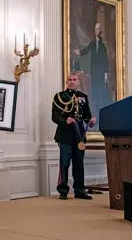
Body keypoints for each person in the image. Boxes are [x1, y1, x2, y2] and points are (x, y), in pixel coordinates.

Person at [52, 72, 96, 200]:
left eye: (74, 80)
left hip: (79, 136)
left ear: (78, 82)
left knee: (79, 164)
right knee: (64, 163)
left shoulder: (83, 97)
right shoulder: (59, 96)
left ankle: (80, 190)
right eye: (69, 80)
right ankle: (63, 190)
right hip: (65, 135)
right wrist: (65, 121)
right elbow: (55, 116)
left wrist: (91, 121)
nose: (72, 82)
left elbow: (86, 114)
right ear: (66, 82)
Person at [73, 22, 112, 126]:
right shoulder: (92, 43)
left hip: (101, 73)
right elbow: (86, 50)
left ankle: (101, 116)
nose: (96, 30)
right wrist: (79, 53)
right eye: (95, 28)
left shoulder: (103, 46)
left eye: (98, 28)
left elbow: (105, 60)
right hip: (94, 72)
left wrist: (105, 73)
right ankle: (94, 117)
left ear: (101, 30)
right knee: (94, 94)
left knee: (101, 94)